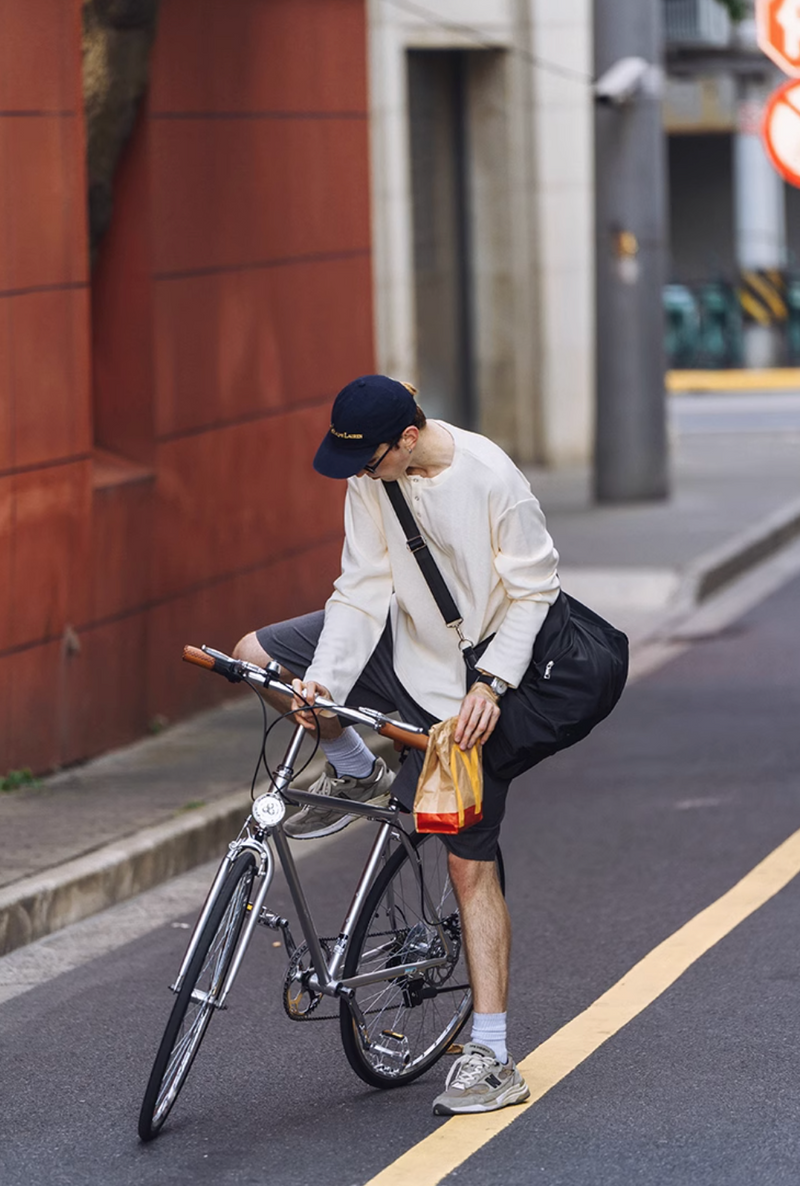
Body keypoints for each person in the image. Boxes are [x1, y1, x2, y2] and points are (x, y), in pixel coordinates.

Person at [234, 373, 565, 1116]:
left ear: (407, 439)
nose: (356, 473)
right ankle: (354, 770)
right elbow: (360, 589)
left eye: (366, 459)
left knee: (465, 861)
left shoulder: (491, 479)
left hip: (473, 689)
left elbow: (537, 591)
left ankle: (491, 1052)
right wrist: (322, 686)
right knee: (258, 657)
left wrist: (494, 685)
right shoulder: (373, 476)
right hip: (402, 648)